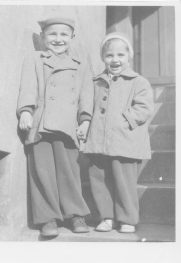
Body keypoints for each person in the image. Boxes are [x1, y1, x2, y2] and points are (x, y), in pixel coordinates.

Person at [16, 11, 94, 237]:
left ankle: (75, 214)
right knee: (42, 172)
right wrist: (25, 111)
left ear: (72, 37)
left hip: (69, 125)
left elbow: (86, 95)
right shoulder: (35, 58)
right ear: (42, 36)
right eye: (52, 34)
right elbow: (28, 86)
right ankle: (47, 218)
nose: (58, 39)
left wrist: (85, 120)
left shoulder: (80, 63)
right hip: (41, 123)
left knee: (69, 171)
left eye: (64, 34)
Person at [77, 32, 154, 233]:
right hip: (98, 142)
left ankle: (127, 218)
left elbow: (144, 108)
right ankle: (106, 217)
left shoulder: (139, 82)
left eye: (120, 55)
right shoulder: (96, 82)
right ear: (103, 58)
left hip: (125, 141)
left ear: (130, 56)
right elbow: (88, 104)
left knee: (124, 182)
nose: (115, 60)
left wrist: (125, 121)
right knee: (100, 180)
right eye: (110, 55)